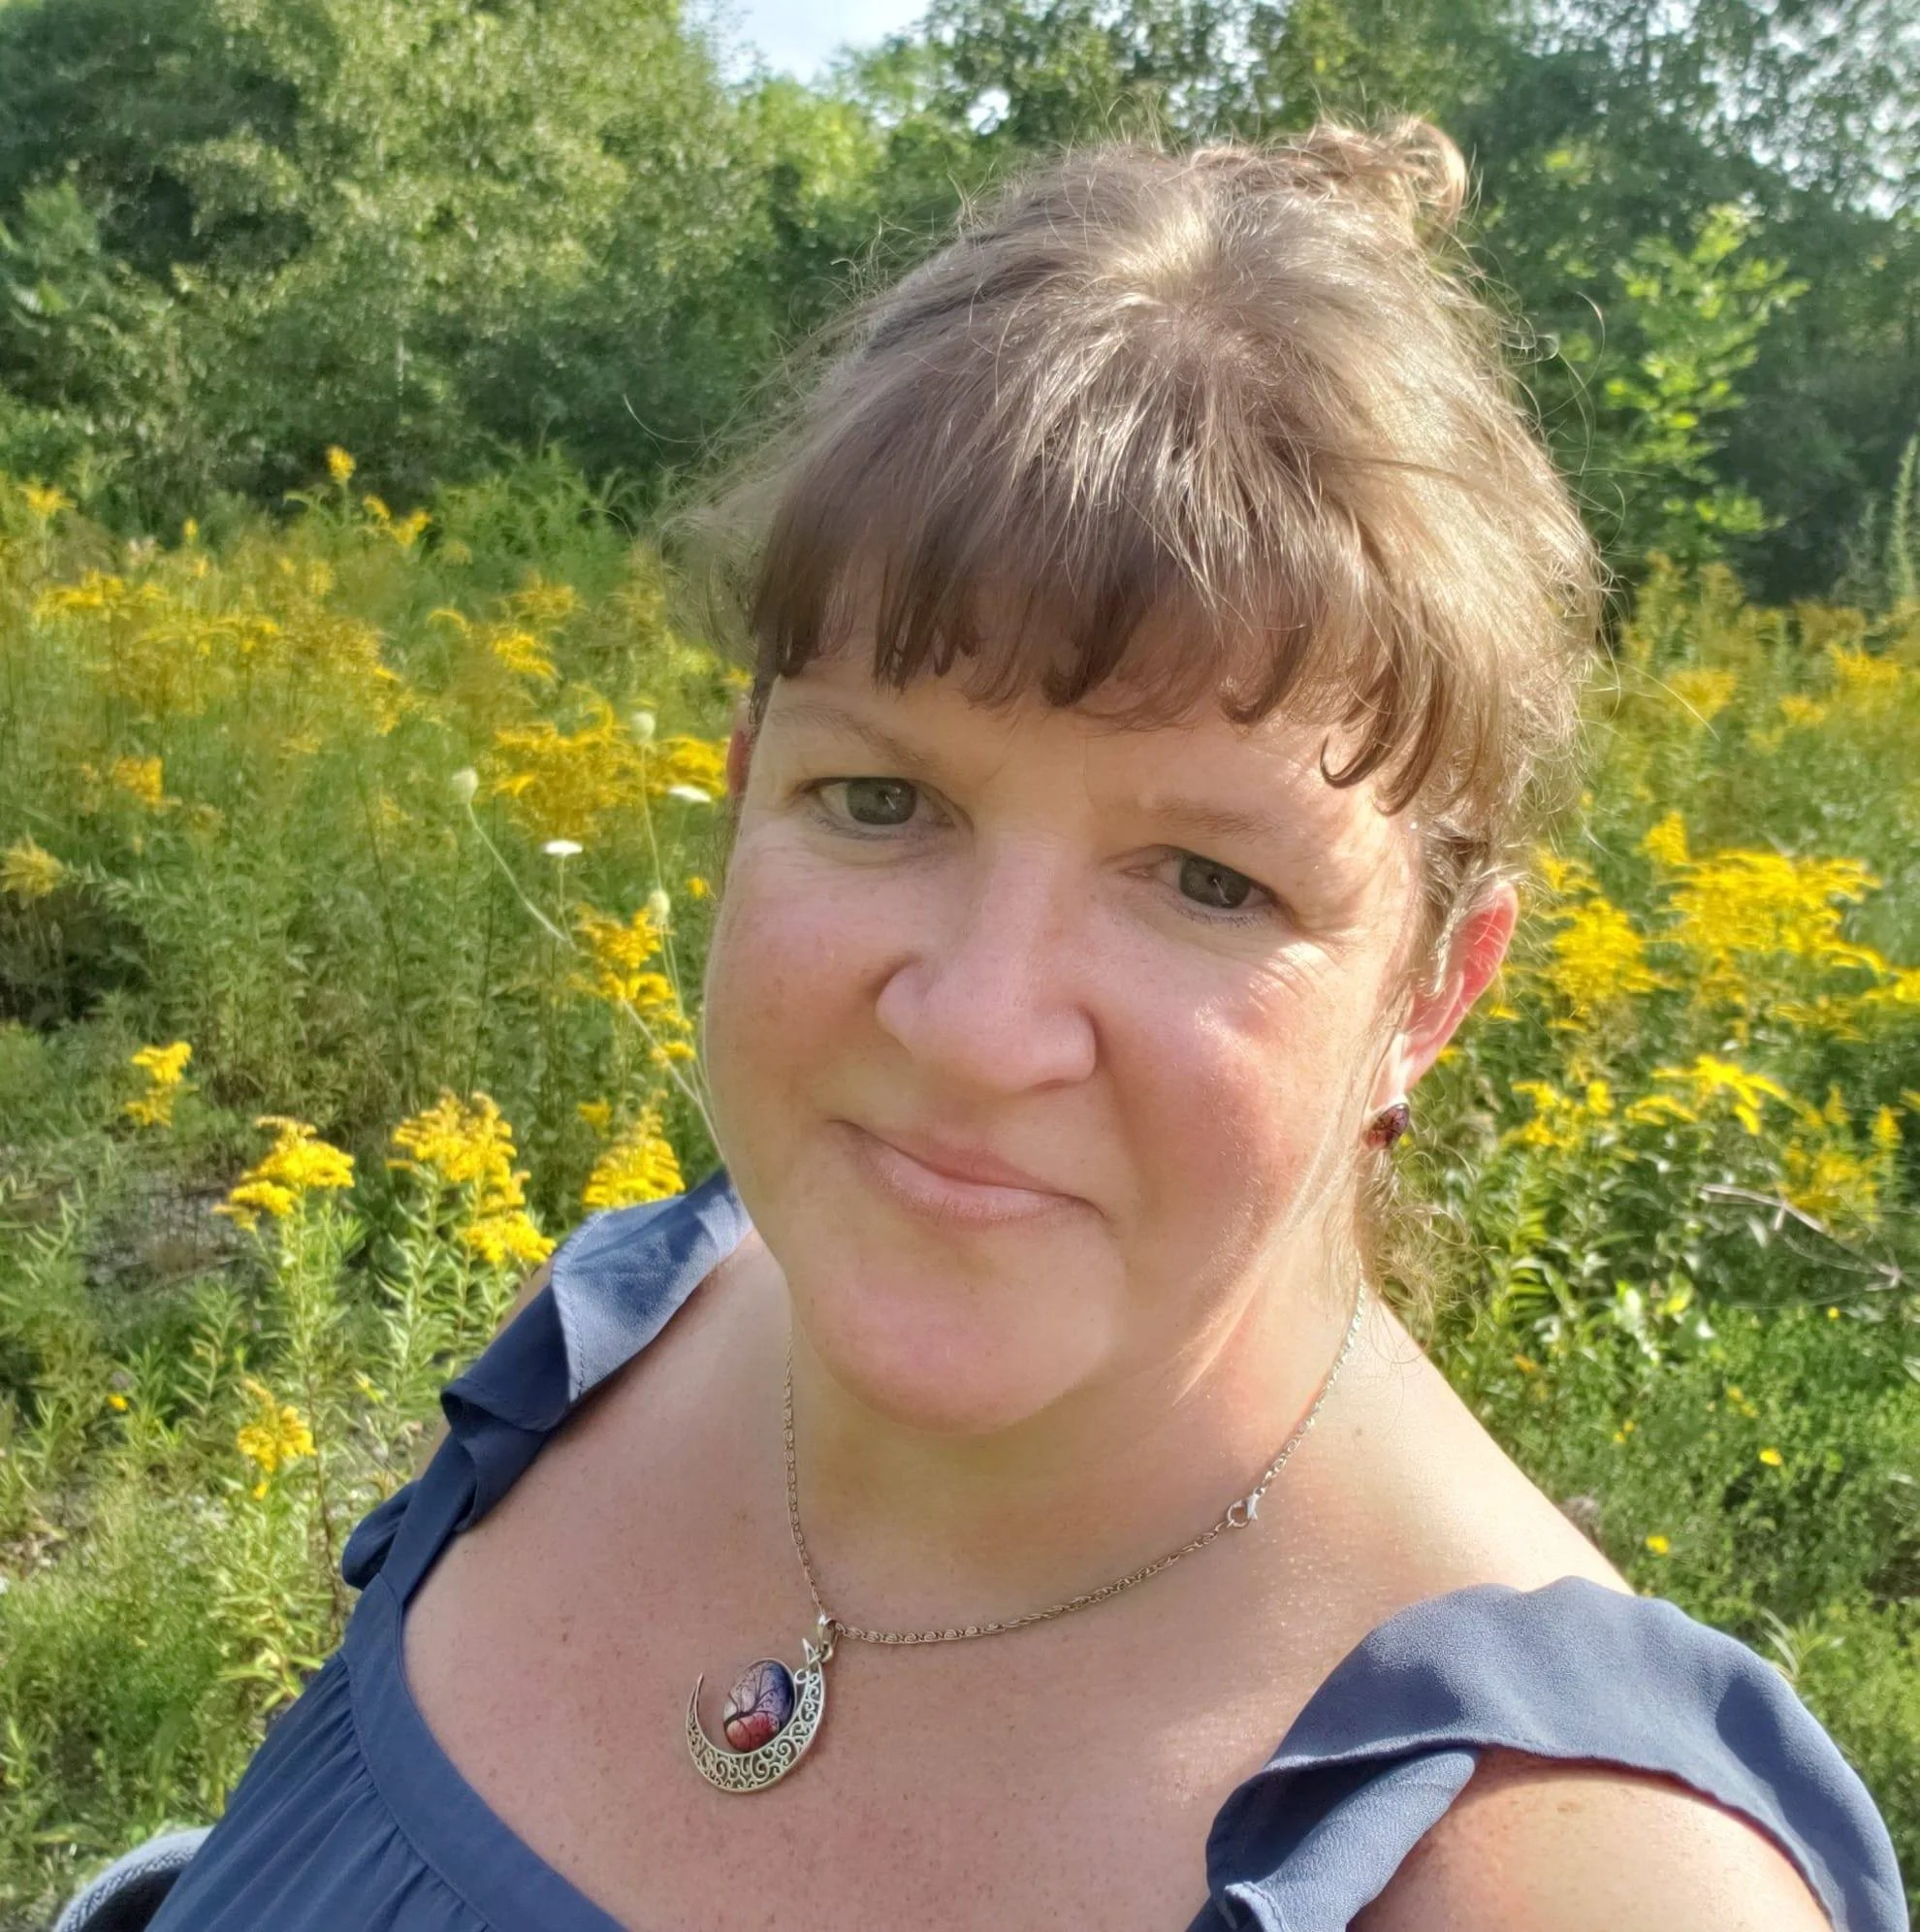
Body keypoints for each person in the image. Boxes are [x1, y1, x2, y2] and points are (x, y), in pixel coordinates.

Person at [118, 119, 1902, 1931]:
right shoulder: (593, 1352)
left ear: (1432, 993)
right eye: (882, 801)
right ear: (744, 794)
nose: (979, 1030)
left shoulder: (1585, 1882)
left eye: (1209, 882)